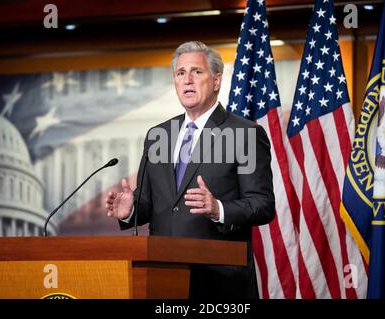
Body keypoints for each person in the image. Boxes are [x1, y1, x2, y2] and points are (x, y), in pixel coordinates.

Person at [105, 41, 275, 299]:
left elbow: (263, 204)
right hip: (163, 276)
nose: (187, 80)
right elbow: (151, 203)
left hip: (219, 281)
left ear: (216, 81)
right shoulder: (158, 135)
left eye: (196, 72)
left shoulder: (244, 134)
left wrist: (219, 209)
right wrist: (130, 210)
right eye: (180, 73)